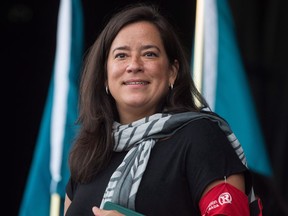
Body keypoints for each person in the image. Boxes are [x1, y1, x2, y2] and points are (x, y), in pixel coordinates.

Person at [64, 3, 263, 216]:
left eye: (149, 54)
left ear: (172, 72)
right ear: (104, 75)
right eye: (121, 55)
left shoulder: (201, 136)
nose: (134, 65)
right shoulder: (91, 151)